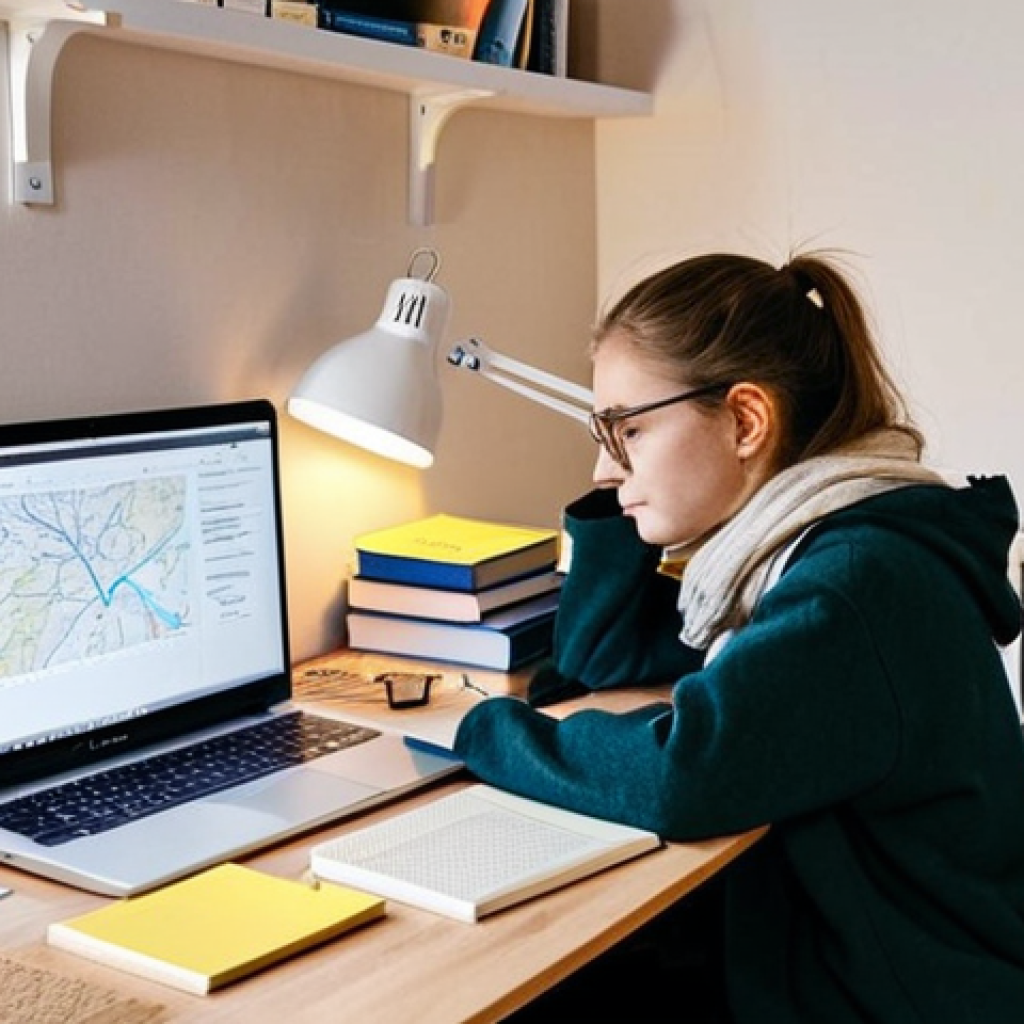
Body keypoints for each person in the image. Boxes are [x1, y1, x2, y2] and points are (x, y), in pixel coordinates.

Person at [452, 251, 1024, 1023]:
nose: (603, 464)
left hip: (898, 994)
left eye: (628, 431)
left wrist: (479, 729)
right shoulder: (789, 554)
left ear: (747, 420)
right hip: (848, 956)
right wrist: (619, 500)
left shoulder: (853, 584)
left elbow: (683, 776)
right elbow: (606, 658)